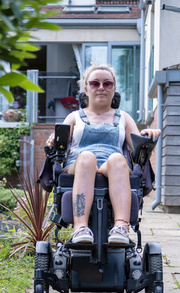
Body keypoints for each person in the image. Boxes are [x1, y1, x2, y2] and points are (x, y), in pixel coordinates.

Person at [49, 63, 161, 244]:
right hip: (79, 164)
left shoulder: (124, 117)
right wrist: (53, 139)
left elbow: (138, 145)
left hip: (112, 165)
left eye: (107, 84)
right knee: (86, 157)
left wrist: (149, 135)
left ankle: (121, 228)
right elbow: (58, 141)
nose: (101, 88)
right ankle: (80, 228)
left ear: (114, 88)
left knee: (118, 158)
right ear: (86, 88)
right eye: (95, 83)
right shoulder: (74, 117)